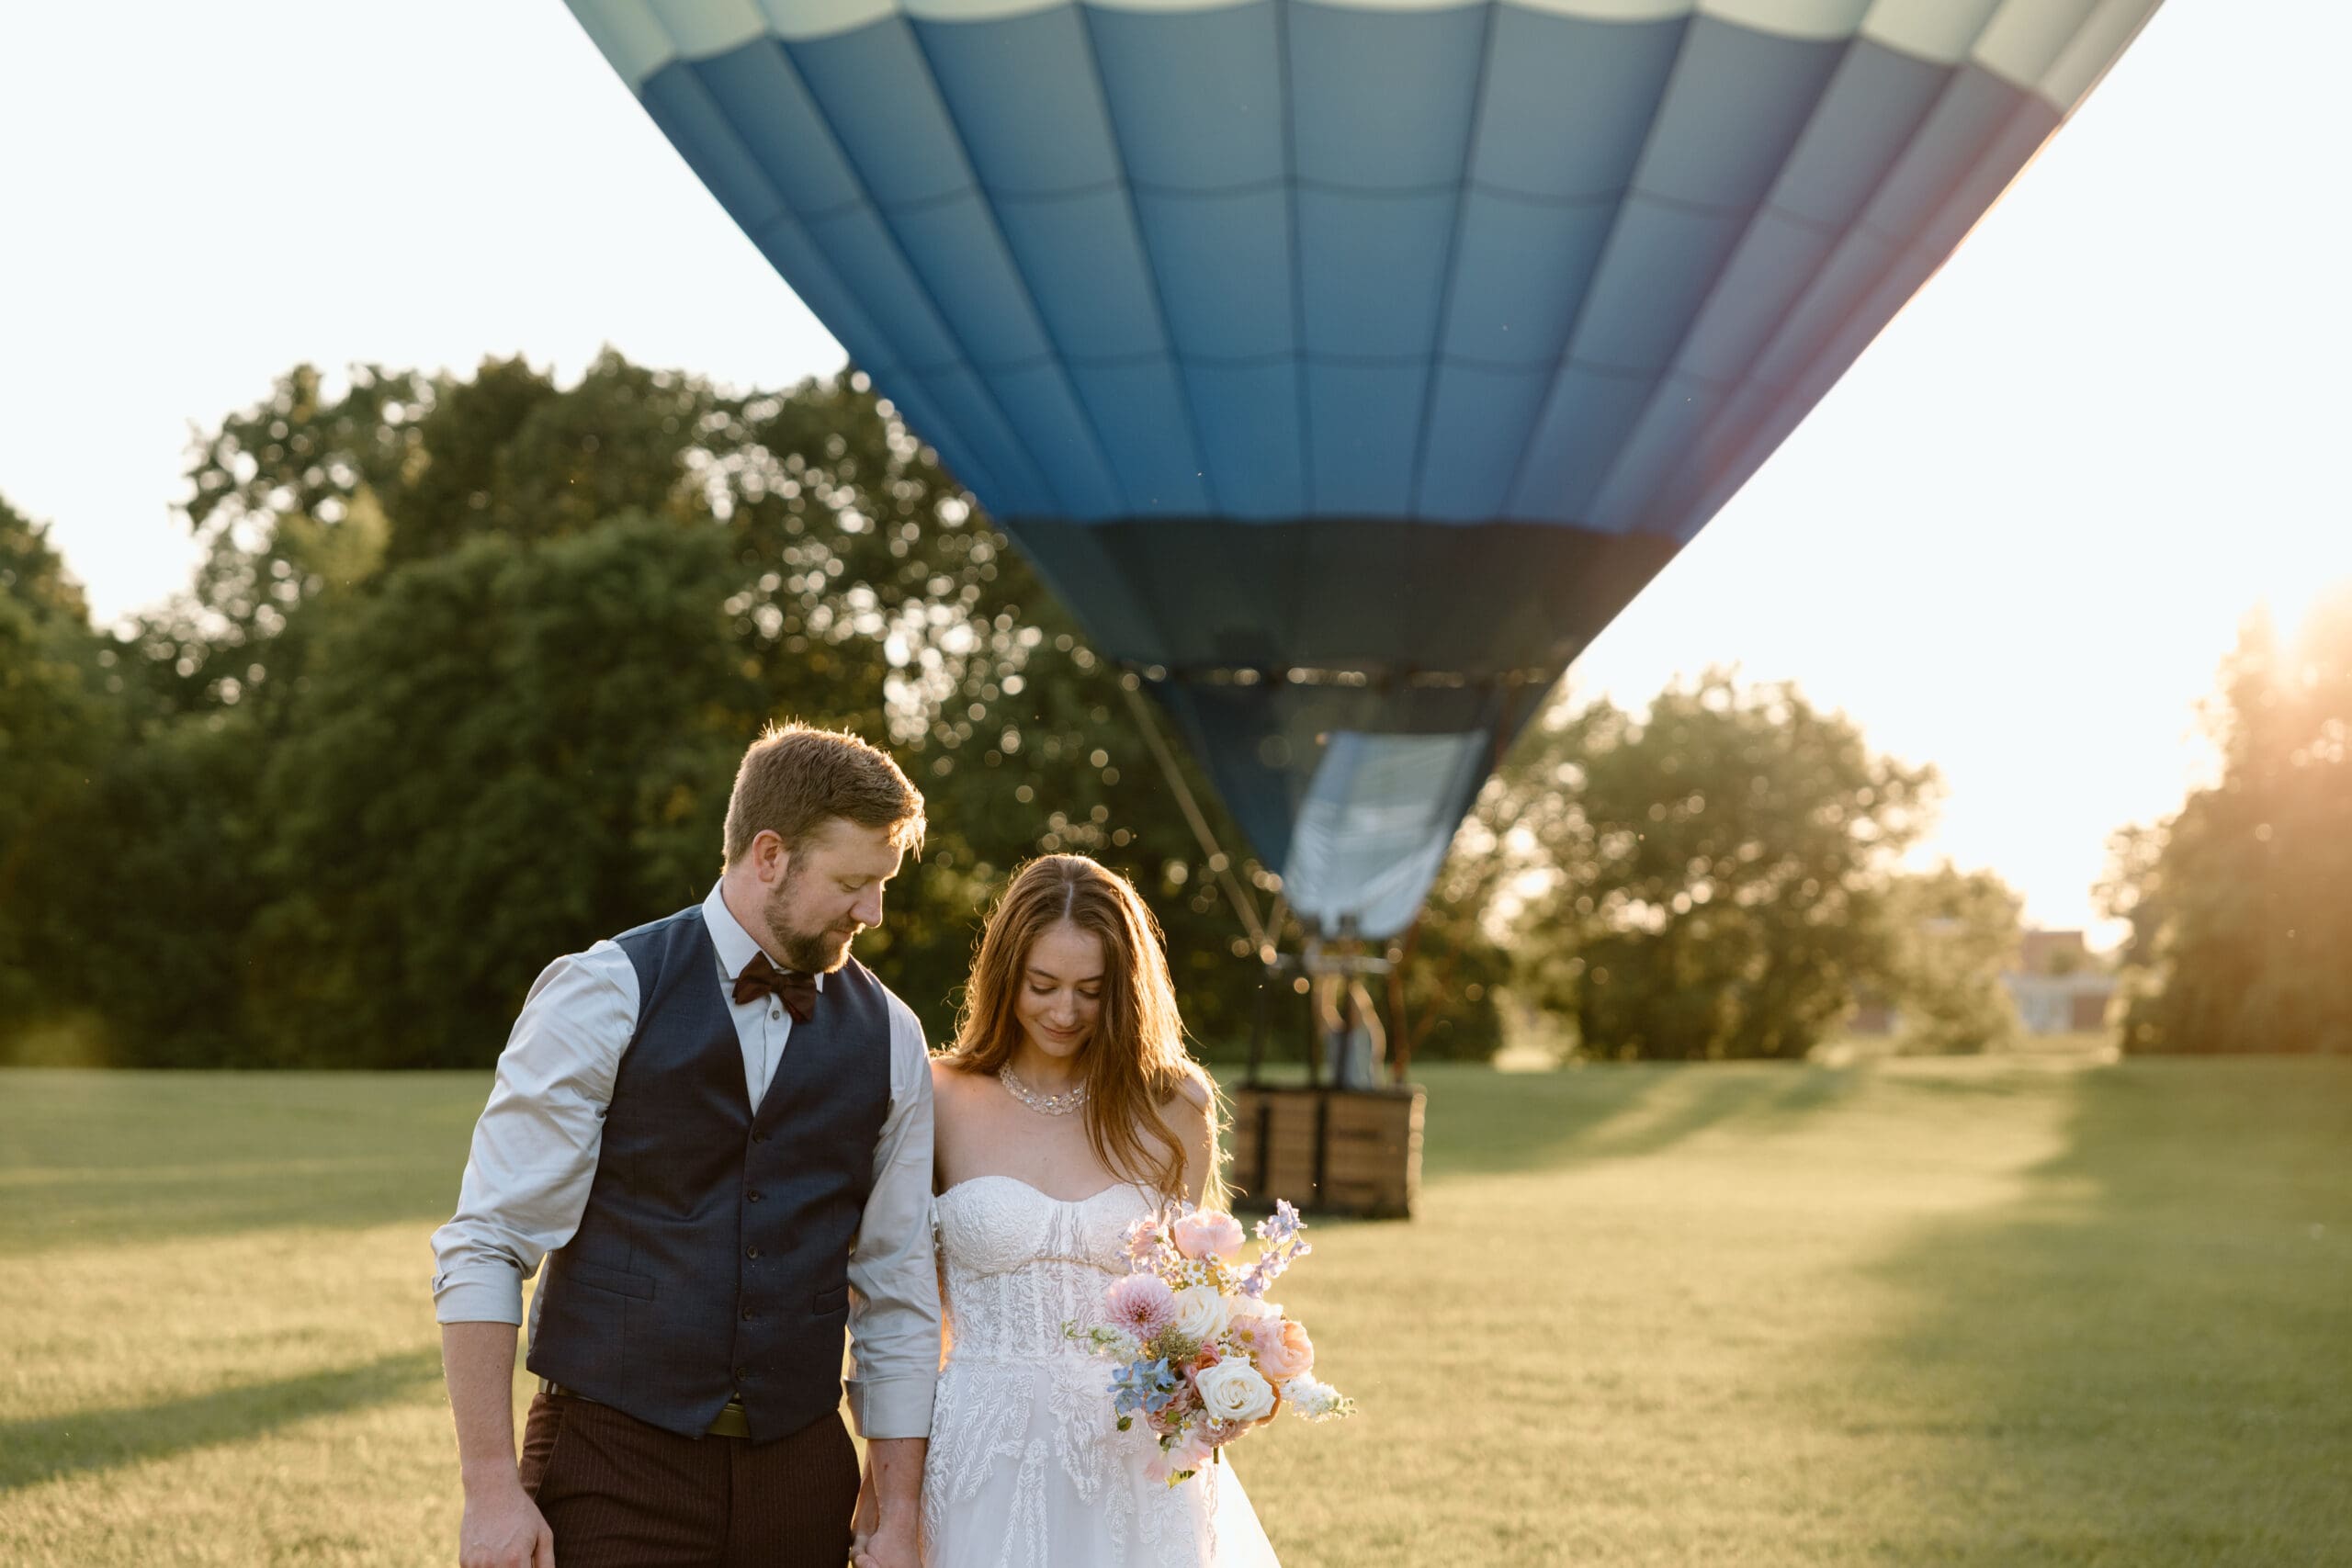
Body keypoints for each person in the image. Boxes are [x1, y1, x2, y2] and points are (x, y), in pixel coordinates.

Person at [431, 724, 938, 1568]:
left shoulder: (892, 1035)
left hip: (801, 1473)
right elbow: (488, 1241)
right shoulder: (603, 991)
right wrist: (490, 1486)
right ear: (768, 854)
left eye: (881, 884)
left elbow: (897, 1287)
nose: (873, 912)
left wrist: (899, 1508)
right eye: (854, 882)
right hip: (613, 1461)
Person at [919, 854, 1283, 1566]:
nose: (1064, 1011)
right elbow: (907, 1310)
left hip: (1133, 1463)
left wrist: (1221, 1379)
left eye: (1092, 989)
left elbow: (1191, 1305)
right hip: (977, 1452)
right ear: (1004, 976)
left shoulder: (1173, 1107)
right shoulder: (939, 1095)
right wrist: (889, 1480)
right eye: (1042, 985)